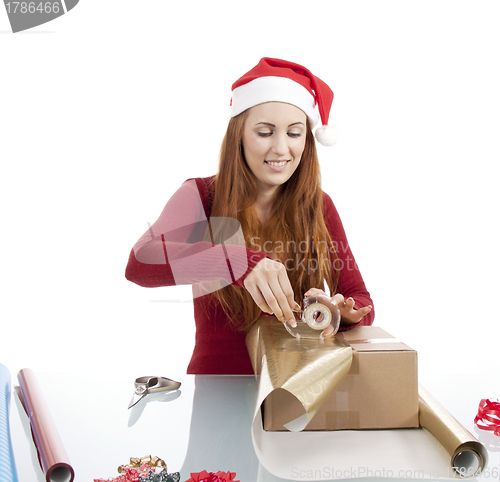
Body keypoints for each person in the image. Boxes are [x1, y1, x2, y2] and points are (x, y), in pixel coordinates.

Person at [125, 57, 374, 374]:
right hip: (217, 390)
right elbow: (139, 261)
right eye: (265, 132)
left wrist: (340, 312)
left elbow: (360, 299)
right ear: (239, 135)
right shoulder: (201, 196)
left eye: (294, 133)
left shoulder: (319, 206)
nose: (281, 149)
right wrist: (238, 262)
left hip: (296, 387)